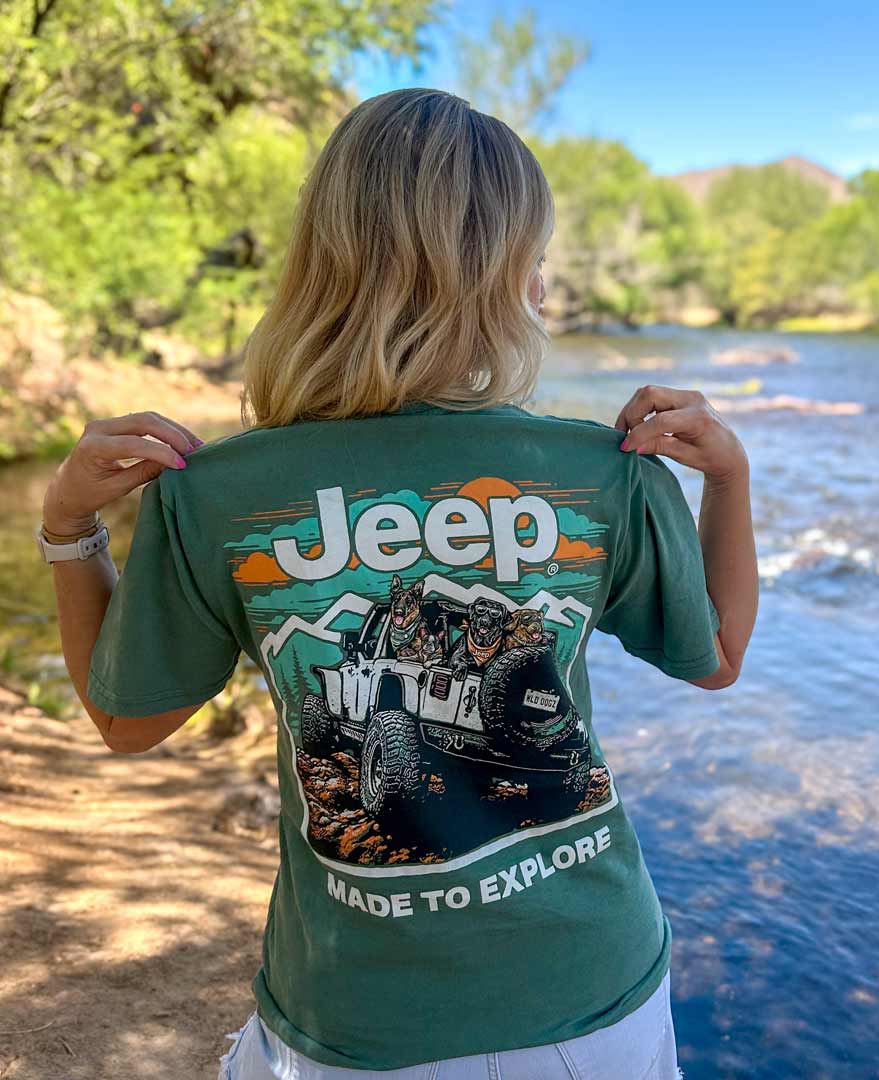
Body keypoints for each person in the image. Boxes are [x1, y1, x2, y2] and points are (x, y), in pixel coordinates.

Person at [39, 88, 758, 1080]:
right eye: (535, 256)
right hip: (595, 996)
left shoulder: (220, 493)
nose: (545, 284)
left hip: (350, 1012)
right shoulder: (606, 470)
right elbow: (717, 656)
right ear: (512, 276)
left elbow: (126, 724)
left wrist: (69, 531)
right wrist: (728, 478)